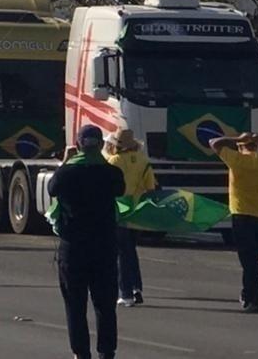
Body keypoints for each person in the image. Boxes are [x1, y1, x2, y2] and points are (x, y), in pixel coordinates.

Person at [48, 125, 125, 359]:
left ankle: (81, 352)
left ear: (79, 145)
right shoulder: (111, 173)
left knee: (75, 304)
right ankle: (107, 351)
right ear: (101, 145)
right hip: (104, 246)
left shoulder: (67, 173)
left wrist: (66, 161)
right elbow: (121, 191)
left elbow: (52, 189)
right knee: (105, 304)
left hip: (74, 247)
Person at [209, 131, 258, 314]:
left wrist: (237, 139)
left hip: (241, 213)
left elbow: (213, 142)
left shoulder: (236, 160)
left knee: (247, 259)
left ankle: (253, 296)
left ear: (241, 146)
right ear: (256, 146)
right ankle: (251, 292)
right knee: (253, 257)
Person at [106, 128, 155, 306]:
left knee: (121, 253)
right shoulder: (143, 160)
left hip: (119, 209)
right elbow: (151, 187)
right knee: (131, 251)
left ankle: (125, 292)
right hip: (137, 209)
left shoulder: (114, 161)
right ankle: (136, 288)